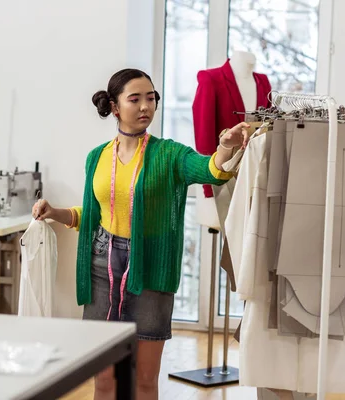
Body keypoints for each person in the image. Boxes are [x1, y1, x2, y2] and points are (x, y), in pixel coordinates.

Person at [32, 68, 249, 400]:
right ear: (115, 107)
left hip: (150, 268)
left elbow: (209, 170)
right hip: (101, 267)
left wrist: (223, 149)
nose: (146, 106)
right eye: (135, 99)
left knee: (144, 380)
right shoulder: (97, 157)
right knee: (104, 380)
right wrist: (55, 213)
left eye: (151, 98)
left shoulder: (170, 154)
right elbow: (90, 215)